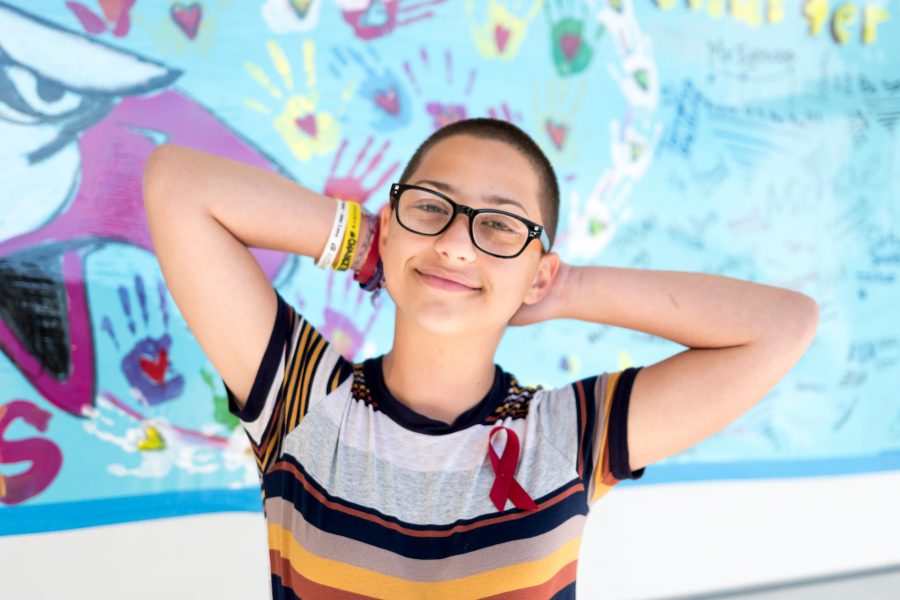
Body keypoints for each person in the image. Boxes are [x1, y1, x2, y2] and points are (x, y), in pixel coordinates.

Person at [143, 118, 819, 598]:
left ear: (539, 269)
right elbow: (177, 182)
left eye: (498, 224)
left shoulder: (568, 437)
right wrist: (365, 244)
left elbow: (784, 325)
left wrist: (564, 288)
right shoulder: (304, 402)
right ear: (392, 219)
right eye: (432, 208)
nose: (458, 245)